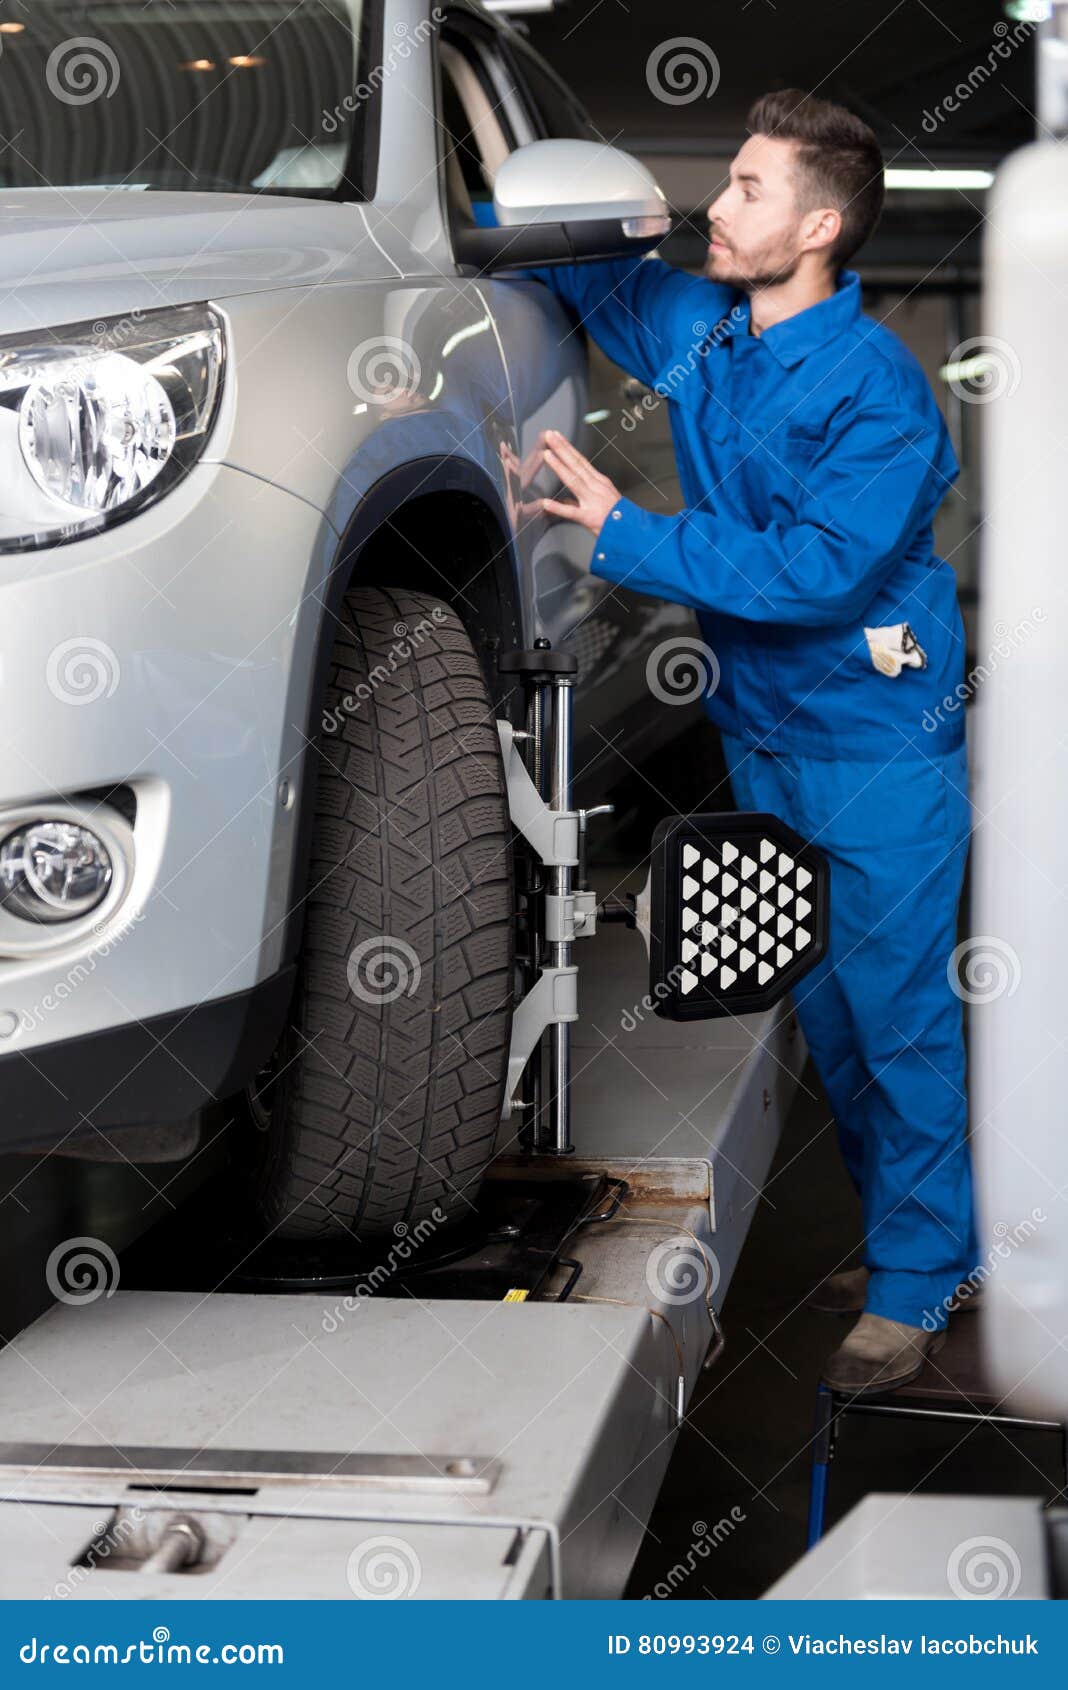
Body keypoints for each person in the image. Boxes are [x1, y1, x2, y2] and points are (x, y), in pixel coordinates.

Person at [528, 90, 975, 1394]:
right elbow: (608, 280)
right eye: (726, 185)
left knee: (898, 1019)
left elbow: (820, 574)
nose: (715, 210)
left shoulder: (878, 392)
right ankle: (911, 1238)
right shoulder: (712, 334)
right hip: (769, 733)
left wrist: (623, 529)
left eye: (746, 190)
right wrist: (529, 181)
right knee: (828, 1013)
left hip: (876, 736)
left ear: (820, 225)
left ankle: (919, 1275)